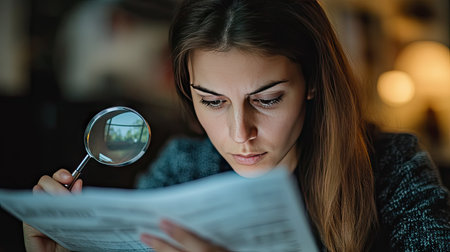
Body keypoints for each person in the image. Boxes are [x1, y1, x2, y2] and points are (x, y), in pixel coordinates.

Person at [24, 0, 450, 251]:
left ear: (313, 82)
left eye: (266, 99)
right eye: (212, 101)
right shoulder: (182, 168)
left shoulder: (394, 169)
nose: (238, 132)